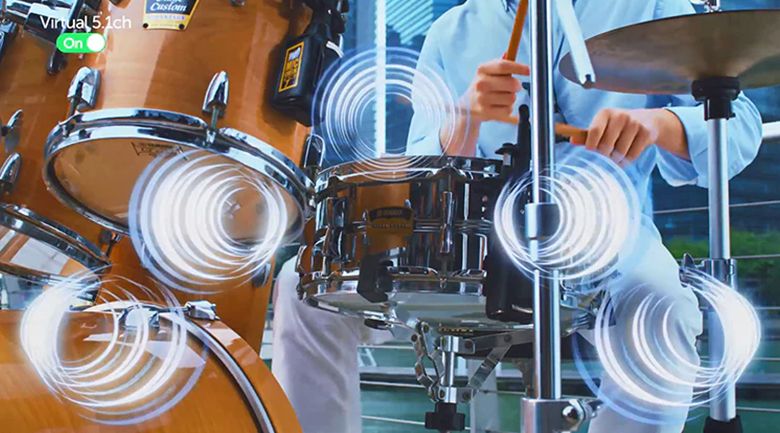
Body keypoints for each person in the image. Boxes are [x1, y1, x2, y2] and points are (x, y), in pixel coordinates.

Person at [272, 1, 763, 432]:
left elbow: (738, 127)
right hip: (475, 240)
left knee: (664, 308)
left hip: (607, 234)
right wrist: (465, 115)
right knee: (302, 288)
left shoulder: (648, 7)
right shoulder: (451, 30)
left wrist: (659, 124)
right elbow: (423, 168)